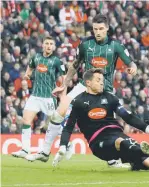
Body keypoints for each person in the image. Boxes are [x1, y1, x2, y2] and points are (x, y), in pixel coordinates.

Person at [26, 14, 138, 168]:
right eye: (95, 29)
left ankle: (112, 160)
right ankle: (45, 152)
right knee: (60, 111)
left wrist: (133, 68)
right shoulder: (85, 45)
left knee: (106, 126)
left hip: (105, 90)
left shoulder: (116, 46)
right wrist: (64, 85)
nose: (98, 32)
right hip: (83, 86)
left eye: (100, 29)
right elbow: (75, 65)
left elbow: (131, 63)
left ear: (107, 29)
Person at [52, 68, 149, 171]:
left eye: (102, 80)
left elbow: (127, 116)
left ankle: (135, 162)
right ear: (88, 82)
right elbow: (68, 127)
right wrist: (62, 146)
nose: (102, 83)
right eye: (98, 80)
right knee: (119, 142)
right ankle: (141, 152)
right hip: (98, 141)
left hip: (117, 133)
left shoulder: (110, 97)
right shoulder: (78, 101)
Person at [12, 36, 65, 159]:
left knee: (55, 124)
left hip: (49, 97)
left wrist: (62, 91)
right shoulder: (36, 57)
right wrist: (27, 75)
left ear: (54, 46)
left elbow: (64, 78)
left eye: (51, 44)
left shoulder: (57, 61)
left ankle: (66, 143)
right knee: (26, 120)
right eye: (46, 43)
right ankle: (25, 150)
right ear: (43, 45)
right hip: (35, 95)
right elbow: (29, 68)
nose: (48, 46)